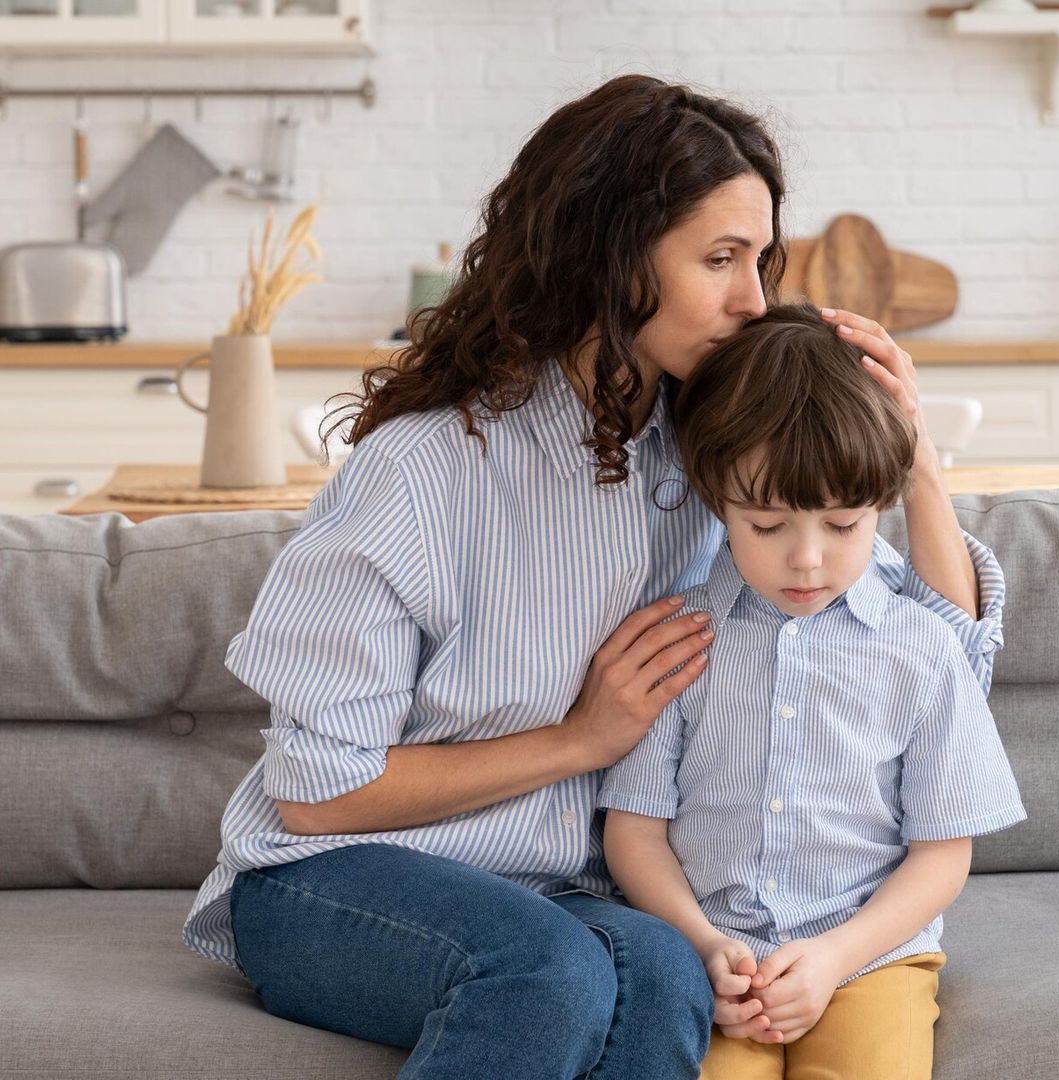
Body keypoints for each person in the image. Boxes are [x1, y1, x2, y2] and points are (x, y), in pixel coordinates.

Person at [182, 76, 1007, 1079]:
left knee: (664, 971)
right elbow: (318, 795)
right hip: (332, 882)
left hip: (571, 893)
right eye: (720, 260)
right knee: (549, 972)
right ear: (613, 261)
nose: (754, 300)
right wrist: (579, 740)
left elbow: (934, 652)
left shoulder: (716, 459)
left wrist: (914, 461)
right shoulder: (424, 469)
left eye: (761, 261)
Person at [598, 302, 1026, 1080]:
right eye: (766, 526)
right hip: (711, 960)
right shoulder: (675, 638)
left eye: (842, 525)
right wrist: (702, 943)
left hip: (871, 957)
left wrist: (833, 959)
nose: (806, 560)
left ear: (881, 506)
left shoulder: (922, 647)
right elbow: (635, 834)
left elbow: (941, 854)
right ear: (714, 495)